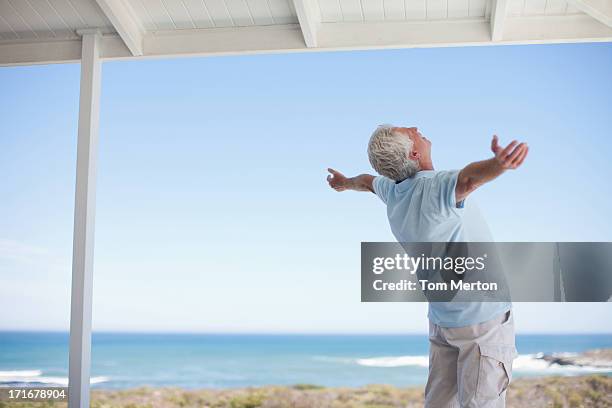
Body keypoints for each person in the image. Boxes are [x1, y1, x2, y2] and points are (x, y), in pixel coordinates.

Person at [326, 125, 528, 408]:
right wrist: (498, 165)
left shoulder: (393, 192)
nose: (416, 128)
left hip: (443, 320)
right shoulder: (437, 187)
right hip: (482, 321)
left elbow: (367, 181)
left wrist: (345, 183)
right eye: (410, 130)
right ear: (415, 152)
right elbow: (470, 178)